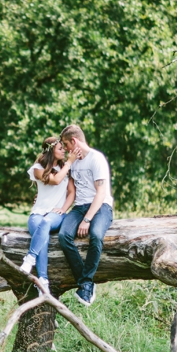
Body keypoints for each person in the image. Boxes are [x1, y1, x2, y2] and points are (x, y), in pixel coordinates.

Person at [57, 124, 113, 306]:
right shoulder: (73, 161)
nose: (65, 149)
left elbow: (101, 193)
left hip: (101, 206)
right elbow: (69, 190)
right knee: (64, 236)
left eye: (66, 145)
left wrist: (87, 219)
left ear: (74, 141)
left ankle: (86, 283)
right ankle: (86, 282)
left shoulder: (96, 159)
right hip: (79, 206)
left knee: (96, 235)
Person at [21, 136, 76, 293]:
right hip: (37, 213)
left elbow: (71, 193)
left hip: (56, 215)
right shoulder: (38, 168)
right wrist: (69, 163)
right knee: (42, 237)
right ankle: (43, 282)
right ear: (51, 150)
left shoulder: (66, 169)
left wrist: (64, 209)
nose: (64, 150)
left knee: (45, 223)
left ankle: (30, 258)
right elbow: (54, 180)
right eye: (60, 148)